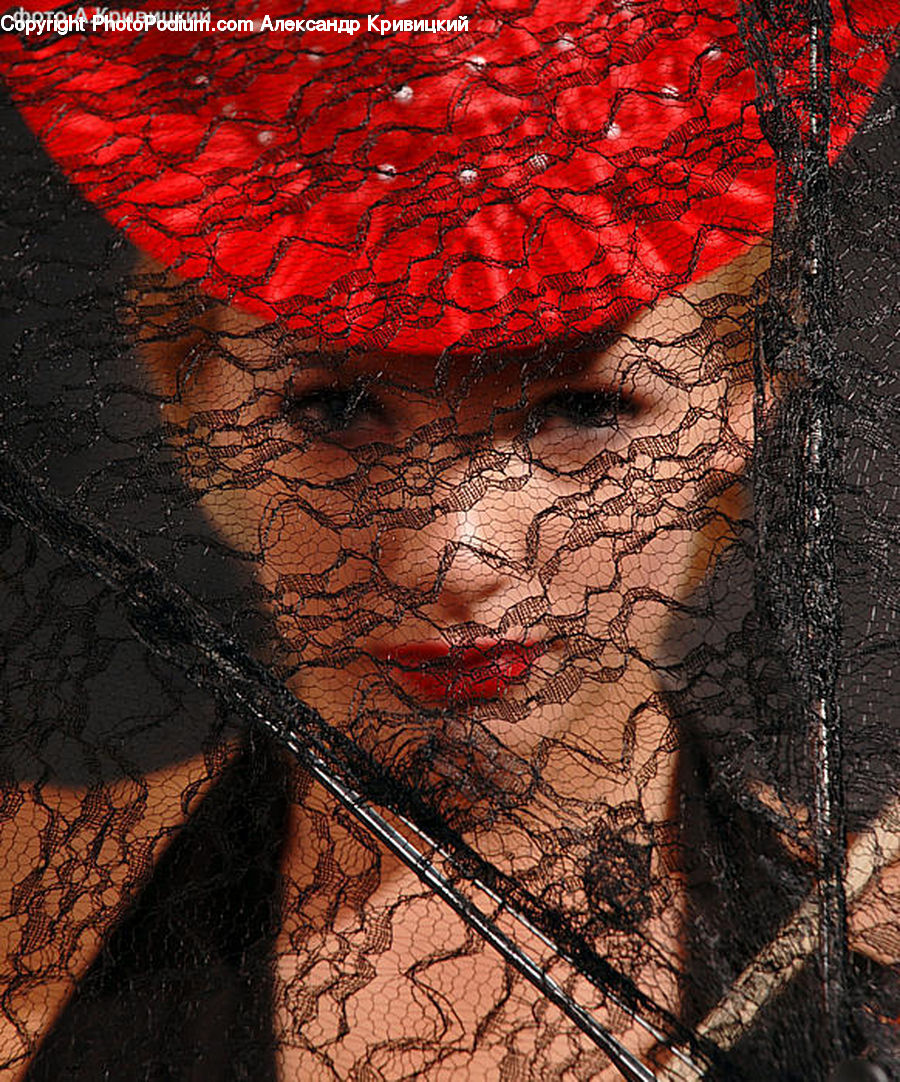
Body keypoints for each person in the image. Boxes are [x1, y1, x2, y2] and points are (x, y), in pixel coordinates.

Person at [1, 3, 898, 1080]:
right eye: (336, 408)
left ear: (741, 410)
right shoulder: (31, 919)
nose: (454, 558)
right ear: (189, 408)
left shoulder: (867, 956)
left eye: (583, 406)